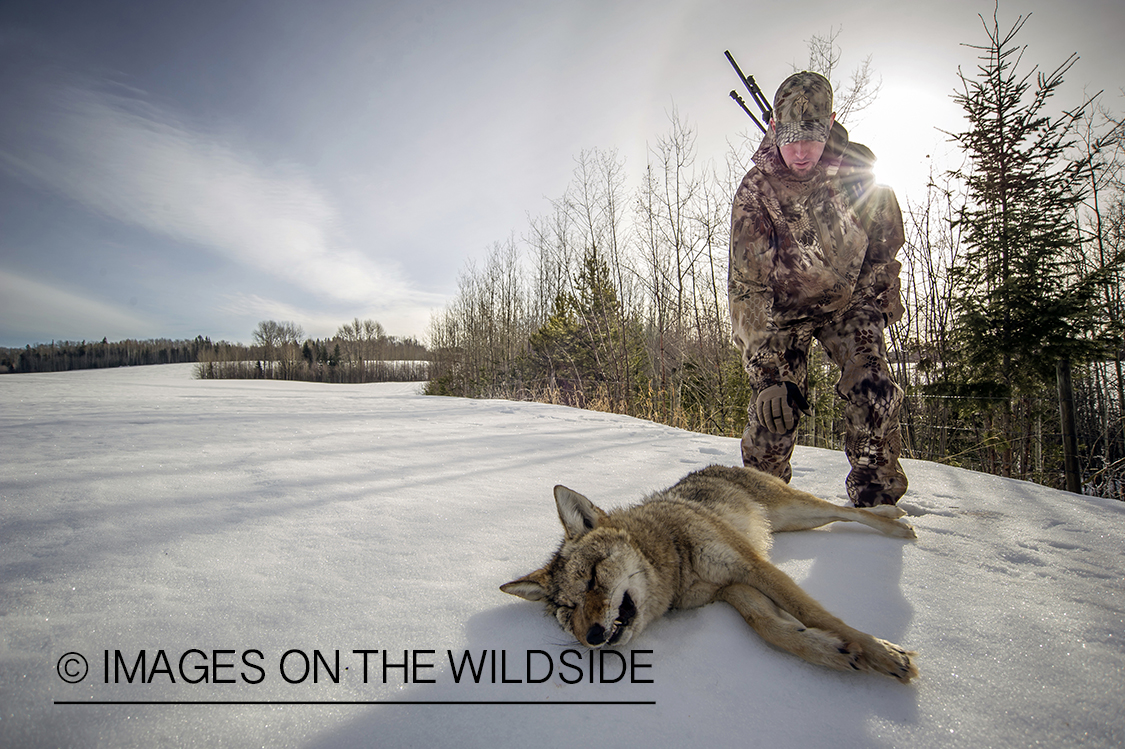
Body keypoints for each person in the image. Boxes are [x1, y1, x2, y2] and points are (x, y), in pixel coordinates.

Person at [728, 70, 908, 506]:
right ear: (772, 128)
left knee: (874, 388)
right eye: (790, 138)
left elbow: (884, 243)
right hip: (783, 315)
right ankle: (762, 503)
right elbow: (747, 287)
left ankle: (875, 496)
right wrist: (769, 373)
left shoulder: (857, 172)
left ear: (830, 123)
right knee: (776, 412)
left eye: (812, 137)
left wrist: (877, 299)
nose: (802, 152)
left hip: (848, 304)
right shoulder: (756, 193)